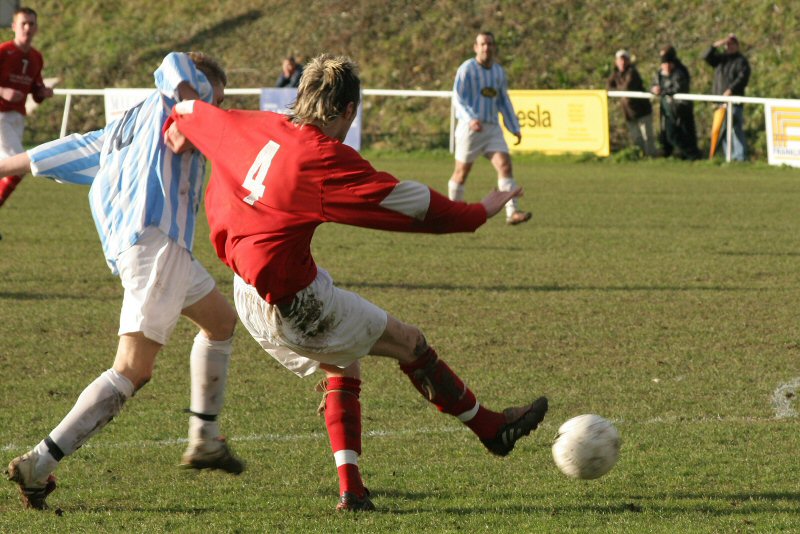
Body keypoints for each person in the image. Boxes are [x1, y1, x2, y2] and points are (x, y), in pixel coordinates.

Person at [165, 54, 548, 512]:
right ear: (348, 110)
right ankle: (491, 430)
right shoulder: (322, 159)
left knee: (342, 365)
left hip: (247, 294)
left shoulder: (249, 123)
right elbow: (409, 204)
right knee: (410, 343)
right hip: (297, 304)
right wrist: (478, 211)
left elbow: (189, 112)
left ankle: (352, 489)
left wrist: (179, 123)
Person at [3, 52, 243, 511]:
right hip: (157, 245)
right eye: (217, 97)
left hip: (154, 248)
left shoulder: (123, 127)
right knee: (132, 369)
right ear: (199, 85)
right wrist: (194, 106)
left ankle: (205, 436)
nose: (218, 109)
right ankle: (39, 461)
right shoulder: (180, 97)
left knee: (221, 322)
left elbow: (55, 153)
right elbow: (173, 62)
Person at [449, 31, 531, 226]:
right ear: (476, 47)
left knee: (505, 165)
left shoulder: (499, 72)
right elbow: (457, 98)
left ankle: (512, 212)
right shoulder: (467, 69)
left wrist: (514, 126)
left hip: (492, 128)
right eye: (483, 44)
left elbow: (503, 100)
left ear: (494, 47)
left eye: (490, 44)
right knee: (461, 173)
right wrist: (470, 119)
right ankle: (451, 214)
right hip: (471, 129)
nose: (487, 47)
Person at [0, 7, 54, 211]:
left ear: (36, 28)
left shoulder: (36, 57)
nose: (27, 27)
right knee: (18, 166)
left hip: (17, 118)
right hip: (1, 115)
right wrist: (3, 90)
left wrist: (42, 92)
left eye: (31, 23)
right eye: (23, 23)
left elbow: (35, 91)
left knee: (8, 168)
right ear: (14, 26)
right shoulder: (4, 51)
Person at [703, 34, 751, 161]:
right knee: (722, 131)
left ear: (737, 46)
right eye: (727, 44)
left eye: (732, 44)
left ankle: (740, 158)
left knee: (735, 129)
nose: (729, 47)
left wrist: (731, 90)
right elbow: (706, 57)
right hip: (720, 102)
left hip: (734, 102)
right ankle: (728, 156)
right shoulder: (721, 59)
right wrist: (714, 46)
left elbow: (742, 78)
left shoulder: (741, 61)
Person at [650, 45, 701, 160]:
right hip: (668, 109)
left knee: (681, 135)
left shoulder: (680, 71)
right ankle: (682, 155)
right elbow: (654, 84)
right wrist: (654, 89)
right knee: (671, 135)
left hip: (681, 109)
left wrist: (662, 91)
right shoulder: (660, 73)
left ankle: (693, 156)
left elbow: (679, 88)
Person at [606, 49, 657, 157]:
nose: (622, 62)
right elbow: (609, 86)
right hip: (629, 112)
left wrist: (616, 90)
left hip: (642, 110)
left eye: (624, 60)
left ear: (628, 61)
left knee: (647, 137)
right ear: (616, 62)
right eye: (620, 60)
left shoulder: (632, 72)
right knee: (636, 137)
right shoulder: (616, 74)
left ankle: (652, 157)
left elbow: (627, 87)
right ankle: (640, 156)